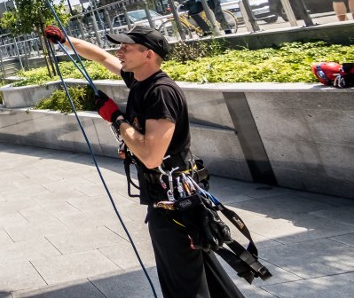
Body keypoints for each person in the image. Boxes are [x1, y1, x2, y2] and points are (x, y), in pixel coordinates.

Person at [43, 25, 246, 298]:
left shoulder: (160, 93)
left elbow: (151, 156)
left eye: (127, 47)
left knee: (183, 286)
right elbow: (101, 57)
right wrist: (67, 41)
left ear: (148, 54)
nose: (120, 51)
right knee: (201, 276)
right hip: (169, 202)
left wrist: (117, 119)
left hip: (175, 206)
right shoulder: (140, 81)